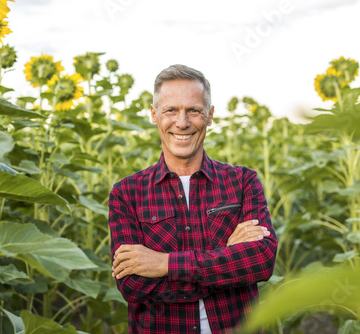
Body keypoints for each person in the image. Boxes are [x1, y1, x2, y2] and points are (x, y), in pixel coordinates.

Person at [108, 64, 277, 333]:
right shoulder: (127, 193)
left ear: (209, 116)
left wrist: (163, 264)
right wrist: (225, 258)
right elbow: (133, 286)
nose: (182, 122)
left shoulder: (243, 181)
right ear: (154, 115)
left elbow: (260, 261)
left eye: (194, 111)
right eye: (171, 110)